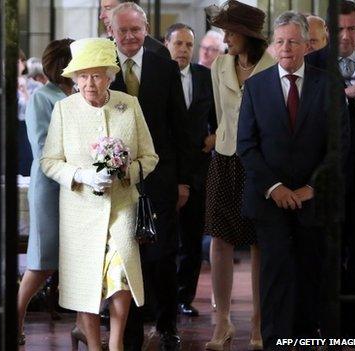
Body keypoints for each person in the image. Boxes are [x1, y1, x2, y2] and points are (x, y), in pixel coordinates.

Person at [237, 11, 349, 348]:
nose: (286, 47)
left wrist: (311, 188)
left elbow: (339, 144)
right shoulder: (255, 86)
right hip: (269, 200)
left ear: (305, 46)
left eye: (293, 41)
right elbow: (247, 145)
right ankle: (274, 340)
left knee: (309, 273)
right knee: (276, 276)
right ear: (272, 46)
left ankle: (305, 339)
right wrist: (276, 188)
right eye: (281, 41)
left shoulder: (328, 84)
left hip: (313, 201)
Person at [41, 37, 158, 351]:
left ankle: (116, 343)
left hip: (122, 206)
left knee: (122, 276)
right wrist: (83, 176)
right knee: (85, 282)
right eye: (81, 76)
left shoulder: (128, 105)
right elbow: (49, 162)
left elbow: (150, 157)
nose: (88, 83)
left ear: (110, 75)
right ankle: (94, 345)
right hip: (80, 212)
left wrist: (125, 173)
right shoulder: (64, 110)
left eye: (96, 75)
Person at [107, 3, 195, 350]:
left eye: (135, 29)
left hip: (160, 179)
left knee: (162, 258)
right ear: (111, 31)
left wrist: (184, 180)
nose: (129, 37)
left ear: (146, 29)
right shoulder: (102, 67)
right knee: (125, 260)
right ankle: (128, 333)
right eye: (122, 30)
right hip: (116, 181)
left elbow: (181, 127)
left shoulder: (164, 67)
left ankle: (167, 325)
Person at [204, 1, 276, 349]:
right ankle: (222, 323)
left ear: (248, 35)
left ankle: (259, 325)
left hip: (261, 163)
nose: (226, 38)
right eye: (225, 31)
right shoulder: (219, 65)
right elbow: (221, 116)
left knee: (261, 242)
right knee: (220, 240)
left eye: (231, 32)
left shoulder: (273, 66)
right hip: (225, 158)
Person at [305, 0, 355, 339]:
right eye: (340, 29)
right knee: (323, 250)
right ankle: (321, 323)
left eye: (352, 29)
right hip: (322, 175)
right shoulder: (311, 64)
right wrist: (344, 93)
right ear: (329, 31)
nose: (346, 36)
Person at [17, 38, 74, 346]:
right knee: (43, 261)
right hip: (51, 187)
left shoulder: (80, 93)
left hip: (78, 188)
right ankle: (16, 317)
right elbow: (41, 147)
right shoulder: (43, 97)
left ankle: (83, 324)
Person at [164, 23, 217, 319]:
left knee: (192, 239)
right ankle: (162, 298)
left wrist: (214, 137)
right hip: (165, 169)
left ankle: (185, 296)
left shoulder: (204, 77)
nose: (184, 50)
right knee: (164, 239)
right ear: (167, 44)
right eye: (178, 44)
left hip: (198, 168)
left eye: (188, 45)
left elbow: (218, 118)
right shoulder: (158, 76)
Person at [98, 0, 170, 59]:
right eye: (123, 31)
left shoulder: (158, 52)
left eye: (108, 8)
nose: (101, 16)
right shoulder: (100, 51)